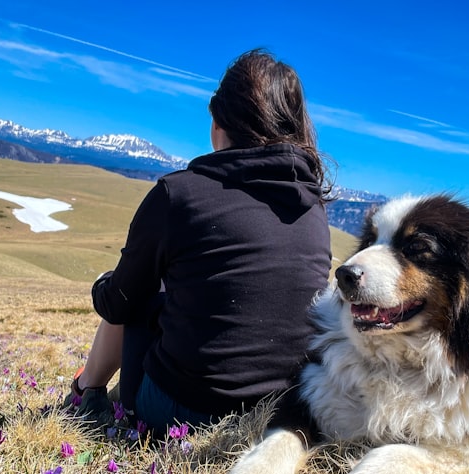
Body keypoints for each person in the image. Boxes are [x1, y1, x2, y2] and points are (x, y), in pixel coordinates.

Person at [67, 48, 332, 432]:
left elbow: (118, 301)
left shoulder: (180, 194)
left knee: (136, 291)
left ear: (218, 121)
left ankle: (86, 391)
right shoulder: (313, 209)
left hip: (181, 410)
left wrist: (103, 284)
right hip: (276, 412)